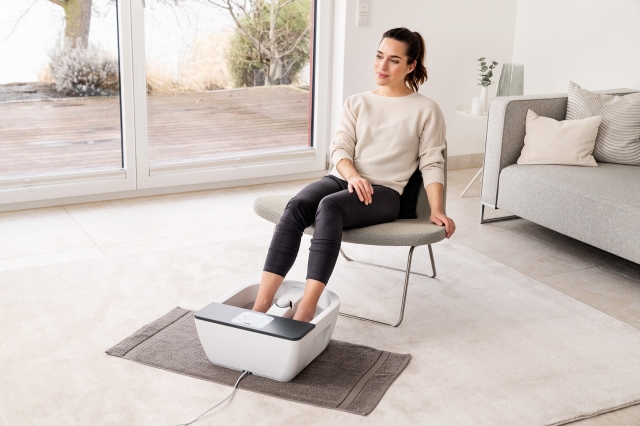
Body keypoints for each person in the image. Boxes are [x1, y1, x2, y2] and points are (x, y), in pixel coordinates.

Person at [252, 27, 456, 322]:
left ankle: (307, 308)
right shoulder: (357, 102)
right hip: (343, 178)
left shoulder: (426, 109)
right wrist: (353, 176)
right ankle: (261, 305)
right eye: (379, 56)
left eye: (394, 60)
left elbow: (432, 162)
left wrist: (437, 209)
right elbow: (340, 149)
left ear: (411, 66)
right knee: (297, 206)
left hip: (385, 192)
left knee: (330, 206)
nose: (382, 66)